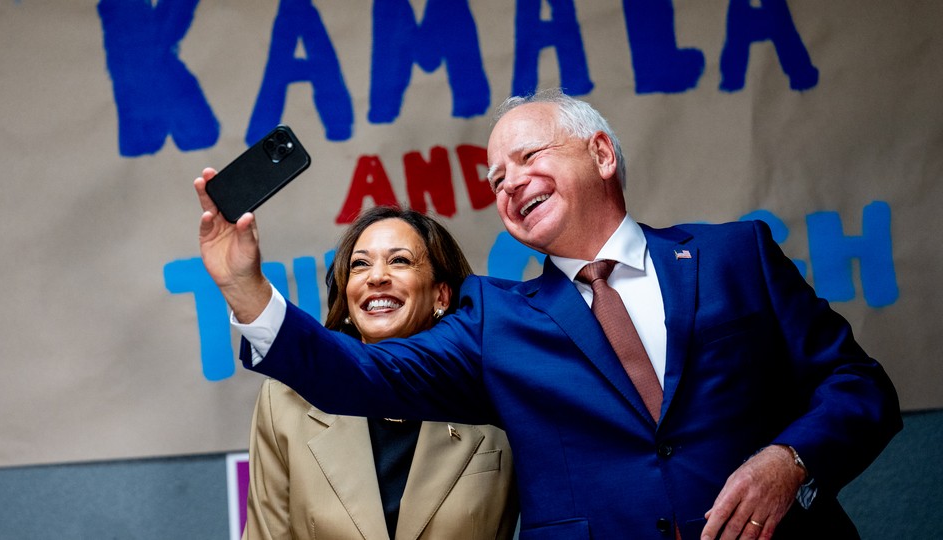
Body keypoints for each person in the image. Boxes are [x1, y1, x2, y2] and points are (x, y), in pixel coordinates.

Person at [195, 89, 902, 540]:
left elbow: (860, 387)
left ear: (599, 153)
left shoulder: (733, 256)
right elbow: (354, 371)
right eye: (496, 180)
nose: (509, 185)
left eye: (528, 156)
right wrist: (244, 286)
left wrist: (791, 461)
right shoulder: (493, 320)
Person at [239, 206, 519, 540]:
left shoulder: (498, 387)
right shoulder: (284, 400)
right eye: (360, 264)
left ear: (441, 295)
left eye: (399, 260)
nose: (376, 277)